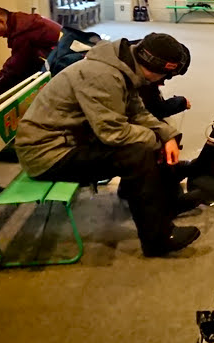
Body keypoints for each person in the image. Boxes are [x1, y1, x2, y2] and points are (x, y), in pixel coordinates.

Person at [14, 33, 200, 257]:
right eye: (165, 74)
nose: (164, 80)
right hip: (46, 153)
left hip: (69, 142)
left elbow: (137, 112)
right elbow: (113, 133)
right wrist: (157, 141)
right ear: (153, 66)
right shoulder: (102, 76)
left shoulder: (124, 67)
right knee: (137, 153)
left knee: (146, 141)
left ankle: (170, 202)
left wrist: (167, 136)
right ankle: (158, 239)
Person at [0, 7, 61, 98]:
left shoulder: (21, 31)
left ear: (2, 21)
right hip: (60, 53)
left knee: (15, 77)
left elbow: (16, 66)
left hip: (60, 62)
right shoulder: (23, 21)